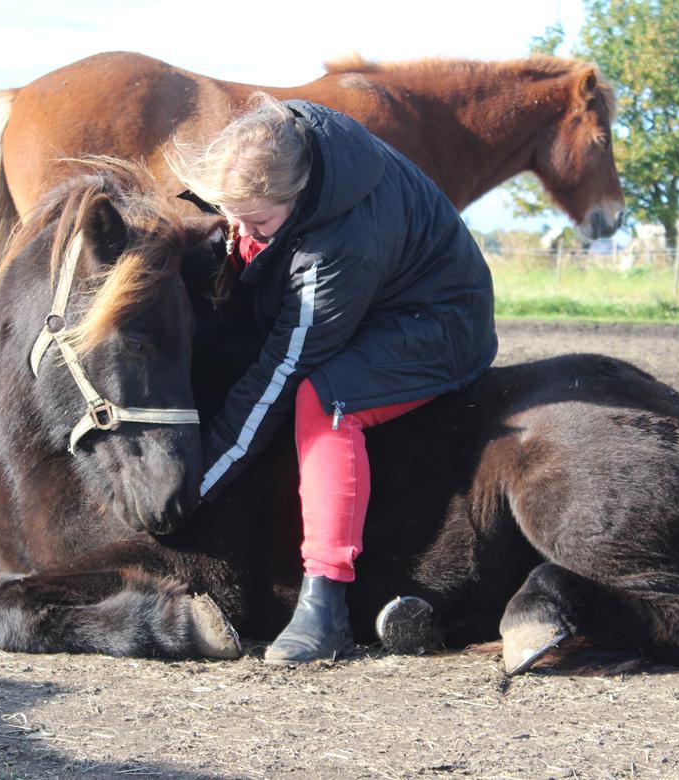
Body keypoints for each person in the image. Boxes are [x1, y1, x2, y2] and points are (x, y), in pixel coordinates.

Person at [171, 94, 497, 664]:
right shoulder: (284, 141)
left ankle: (326, 605)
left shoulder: (337, 251)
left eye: (261, 222)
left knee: (320, 399)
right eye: (233, 214)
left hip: (436, 323)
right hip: (375, 297)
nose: (242, 229)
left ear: (297, 198)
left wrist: (199, 483)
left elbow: (281, 370)